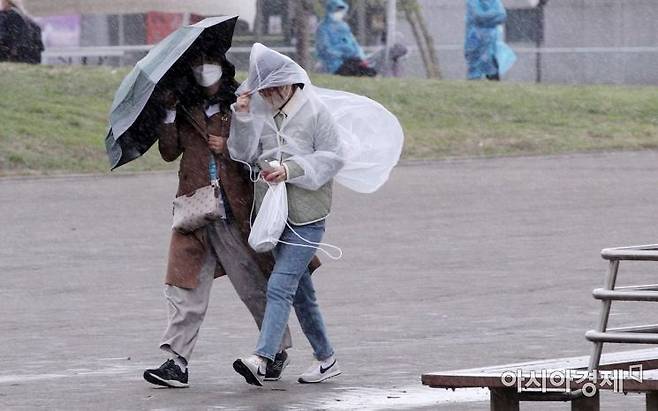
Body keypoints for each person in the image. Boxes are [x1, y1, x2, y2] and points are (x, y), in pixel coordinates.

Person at [142, 48, 320, 388]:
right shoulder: (183, 107)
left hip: (235, 211)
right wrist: (165, 113)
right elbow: (168, 152)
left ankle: (273, 352)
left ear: (224, 68)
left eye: (209, 63)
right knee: (183, 286)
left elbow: (261, 151)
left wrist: (230, 145)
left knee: (252, 284)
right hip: (194, 211)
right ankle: (176, 362)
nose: (203, 70)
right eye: (196, 65)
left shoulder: (243, 103)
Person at [228, 43, 345, 386]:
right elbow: (243, 153)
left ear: (292, 82)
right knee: (302, 292)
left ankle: (262, 357)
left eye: (275, 87)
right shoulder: (261, 109)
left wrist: (291, 169)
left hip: (308, 214)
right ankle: (327, 359)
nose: (270, 95)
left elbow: (333, 156)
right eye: (263, 89)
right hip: (273, 212)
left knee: (280, 283)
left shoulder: (315, 111)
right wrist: (244, 115)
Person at [316, 0, 376, 77]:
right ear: (330, 10)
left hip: (352, 61)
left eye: (340, 11)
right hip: (334, 65)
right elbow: (325, 50)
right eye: (336, 10)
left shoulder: (344, 26)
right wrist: (343, 54)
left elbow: (354, 44)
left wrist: (359, 55)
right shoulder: (323, 28)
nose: (339, 13)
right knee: (360, 71)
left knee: (370, 72)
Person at [464, 0, 516, 81]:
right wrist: (493, 15)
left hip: (491, 43)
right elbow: (477, 16)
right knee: (475, 70)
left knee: (492, 69)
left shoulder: (495, 1)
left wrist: (485, 18)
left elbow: (502, 16)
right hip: (476, 42)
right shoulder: (473, 1)